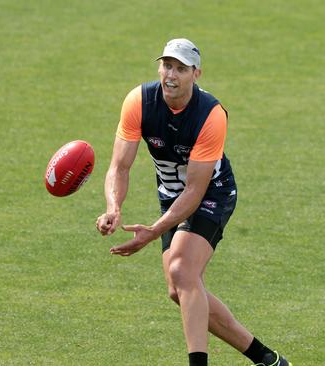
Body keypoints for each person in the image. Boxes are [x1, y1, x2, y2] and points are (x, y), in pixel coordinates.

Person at [95, 39, 291, 366]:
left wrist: (153, 232)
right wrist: (113, 207)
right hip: (172, 195)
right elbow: (119, 167)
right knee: (179, 290)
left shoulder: (210, 115)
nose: (171, 75)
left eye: (181, 69)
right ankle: (268, 359)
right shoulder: (138, 101)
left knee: (183, 271)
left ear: (195, 74)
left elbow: (194, 193)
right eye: (167, 66)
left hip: (212, 194)